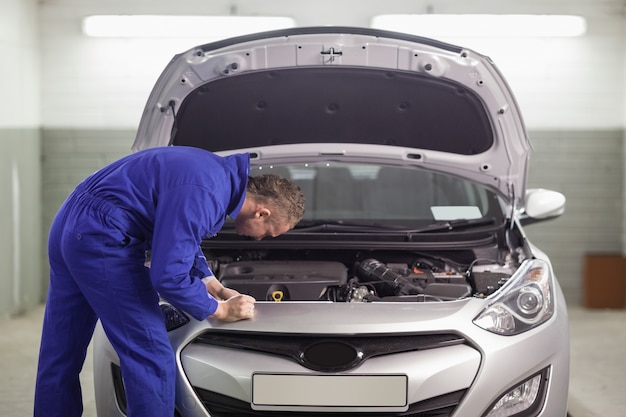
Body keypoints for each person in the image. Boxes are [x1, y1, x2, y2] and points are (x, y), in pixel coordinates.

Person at [33, 146, 305, 417]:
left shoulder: (215, 176)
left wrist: (212, 284)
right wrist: (220, 310)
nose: (260, 240)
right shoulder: (206, 192)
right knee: (149, 353)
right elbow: (167, 276)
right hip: (100, 237)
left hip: (70, 225)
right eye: (268, 234)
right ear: (262, 213)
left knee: (60, 355)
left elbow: (179, 233)